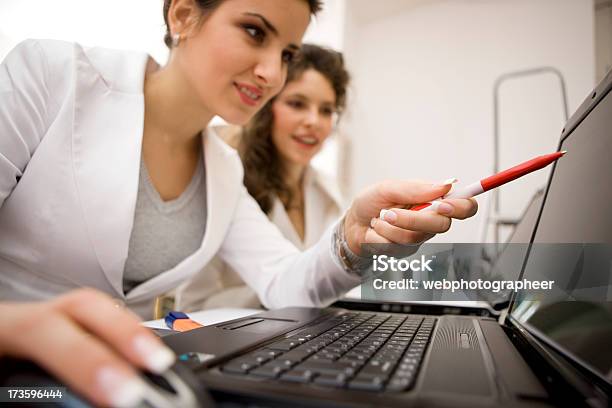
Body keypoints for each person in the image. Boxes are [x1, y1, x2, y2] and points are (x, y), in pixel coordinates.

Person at [0, 0, 477, 406]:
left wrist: (351, 233)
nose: (272, 73)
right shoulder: (52, 76)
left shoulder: (223, 169)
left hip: (128, 383)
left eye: (287, 52)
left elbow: (284, 283)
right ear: (184, 15)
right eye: (254, 32)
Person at [176, 43, 349, 311]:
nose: (313, 121)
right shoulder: (228, 185)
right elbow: (193, 304)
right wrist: (278, 294)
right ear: (267, 108)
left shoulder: (327, 190)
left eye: (326, 110)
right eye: (297, 104)